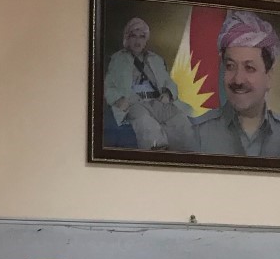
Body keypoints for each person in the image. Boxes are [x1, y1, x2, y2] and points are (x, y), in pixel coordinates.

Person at [194, 9, 280, 157]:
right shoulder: (196, 133)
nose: (238, 79)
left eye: (249, 68)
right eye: (230, 66)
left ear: (269, 77)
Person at [102, 16, 196, 150]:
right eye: (133, 36)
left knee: (179, 119)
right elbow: (108, 86)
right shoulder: (118, 59)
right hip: (134, 102)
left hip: (157, 101)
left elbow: (169, 82)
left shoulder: (156, 59)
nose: (138, 41)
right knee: (146, 124)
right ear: (127, 38)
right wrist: (118, 99)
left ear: (146, 40)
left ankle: (185, 155)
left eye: (142, 37)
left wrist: (167, 94)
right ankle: (157, 153)